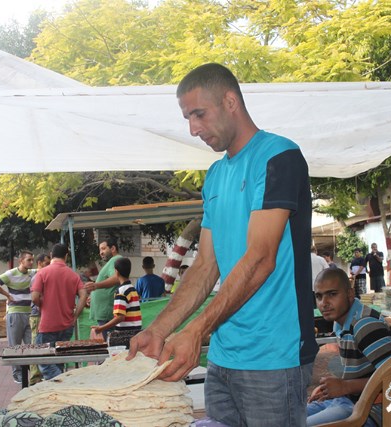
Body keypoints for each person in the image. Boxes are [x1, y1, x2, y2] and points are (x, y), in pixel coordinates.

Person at [128, 63, 317, 426]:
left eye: (199, 114)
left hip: (274, 358)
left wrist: (196, 331)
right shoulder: (215, 176)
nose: (193, 128)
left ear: (231, 101)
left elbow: (261, 259)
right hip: (223, 359)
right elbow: (204, 266)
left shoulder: (279, 157)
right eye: (187, 117)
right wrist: (159, 330)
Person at [307, 268, 391, 426]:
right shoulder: (342, 322)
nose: (324, 303)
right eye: (319, 296)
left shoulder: (365, 325)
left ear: (350, 294)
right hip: (348, 400)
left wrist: (345, 386)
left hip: (372, 410)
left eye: (332, 294)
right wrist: (332, 388)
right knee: (286, 419)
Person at [31, 244, 87, 380]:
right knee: (59, 360)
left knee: (43, 360)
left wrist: (41, 305)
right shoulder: (73, 275)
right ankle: (60, 393)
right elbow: (84, 295)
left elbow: (34, 297)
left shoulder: (42, 273)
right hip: (67, 325)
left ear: (51, 255)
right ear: (66, 256)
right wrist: (75, 316)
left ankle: (63, 381)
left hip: (48, 325)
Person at [0, 251, 34, 383]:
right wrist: (7, 295)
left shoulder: (32, 273)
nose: (31, 262)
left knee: (31, 345)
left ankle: (31, 372)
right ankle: (17, 374)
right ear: (21, 261)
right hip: (15, 313)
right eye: (29, 260)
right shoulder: (11, 274)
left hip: (29, 313)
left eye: (32, 260)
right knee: (15, 345)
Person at [91, 258, 141, 347]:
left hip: (125, 335)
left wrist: (101, 328)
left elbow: (120, 317)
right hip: (136, 333)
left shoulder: (121, 291)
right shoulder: (132, 289)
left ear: (116, 272)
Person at [84, 239, 122, 340]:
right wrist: (94, 296)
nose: (101, 252)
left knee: (110, 344)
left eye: (103, 249)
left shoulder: (116, 259)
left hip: (107, 313)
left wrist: (96, 286)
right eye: (100, 250)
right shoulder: (112, 262)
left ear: (113, 248)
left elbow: (116, 278)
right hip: (104, 312)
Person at [29, 253, 51, 385]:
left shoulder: (43, 276)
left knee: (42, 344)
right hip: (37, 315)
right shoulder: (38, 277)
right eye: (46, 263)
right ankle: (34, 377)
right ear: (40, 263)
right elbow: (35, 297)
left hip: (41, 314)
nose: (48, 266)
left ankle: (39, 374)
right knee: (36, 345)